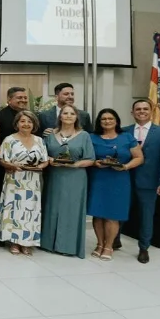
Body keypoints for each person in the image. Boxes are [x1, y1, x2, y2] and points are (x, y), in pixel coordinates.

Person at [87, 108, 144, 261]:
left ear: (117, 121)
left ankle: (109, 246)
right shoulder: (92, 137)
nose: (107, 121)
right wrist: (95, 163)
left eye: (110, 118)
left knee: (112, 215)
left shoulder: (126, 137)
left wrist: (125, 166)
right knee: (98, 214)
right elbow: (86, 156)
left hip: (119, 180)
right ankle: (99, 244)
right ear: (99, 122)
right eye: (103, 119)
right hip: (98, 178)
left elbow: (139, 157)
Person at [122, 99, 160, 263]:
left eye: (145, 109)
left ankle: (144, 248)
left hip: (149, 183)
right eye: (138, 109)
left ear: (151, 111)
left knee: (146, 216)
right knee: (120, 212)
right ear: (132, 112)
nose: (141, 111)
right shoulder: (124, 131)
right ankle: (114, 239)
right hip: (124, 180)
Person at [41, 104, 95, 258]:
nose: (69, 116)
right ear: (60, 116)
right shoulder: (50, 135)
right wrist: (51, 160)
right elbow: (43, 154)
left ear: (76, 117)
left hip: (75, 177)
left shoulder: (84, 135)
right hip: (54, 176)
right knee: (52, 208)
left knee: (71, 210)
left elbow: (91, 159)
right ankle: (48, 243)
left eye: (72, 113)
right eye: (65, 113)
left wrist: (75, 164)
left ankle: (69, 246)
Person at [0, 111, 49, 256]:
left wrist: (40, 167)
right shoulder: (9, 140)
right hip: (14, 179)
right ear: (17, 123)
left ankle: (27, 242)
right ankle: (13, 241)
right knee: (14, 210)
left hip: (32, 181)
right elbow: (1, 160)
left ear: (34, 124)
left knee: (30, 211)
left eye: (29, 121)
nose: (26, 124)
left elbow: (45, 160)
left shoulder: (39, 140)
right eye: (23, 121)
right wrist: (10, 166)